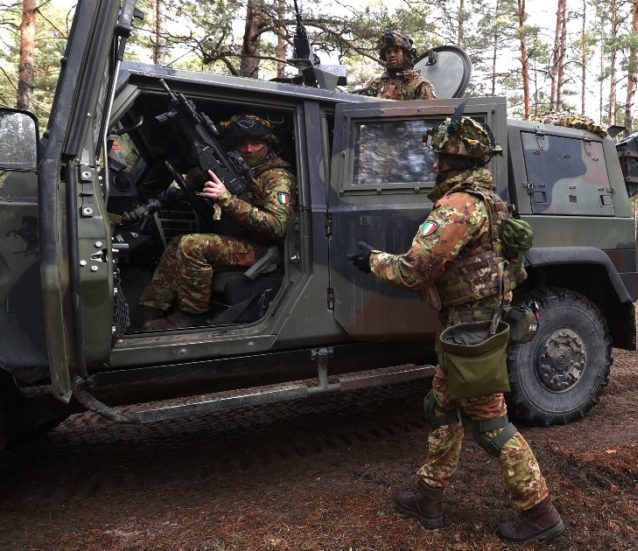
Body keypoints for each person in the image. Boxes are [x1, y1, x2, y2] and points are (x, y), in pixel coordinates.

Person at [347, 115, 565, 544]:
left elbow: (416, 269)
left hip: (471, 332)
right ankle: (428, 496)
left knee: (491, 423)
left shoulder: (459, 206)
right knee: (441, 408)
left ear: (453, 158)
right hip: (468, 328)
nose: (432, 165)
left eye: (438, 157)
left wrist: (371, 260)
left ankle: (539, 511)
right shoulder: (489, 200)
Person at [135, 114, 297, 331]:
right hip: (241, 240)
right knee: (177, 243)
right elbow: (195, 178)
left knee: (192, 245)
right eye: (242, 144)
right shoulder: (242, 170)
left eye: (256, 143)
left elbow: (276, 227)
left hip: (263, 249)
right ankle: (149, 309)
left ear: (268, 145)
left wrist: (226, 200)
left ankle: (192, 315)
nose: (249, 150)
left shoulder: (277, 177)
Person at [359, 31, 437, 101]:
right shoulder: (376, 84)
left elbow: (431, 113)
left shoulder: (420, 84)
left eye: (396, 51)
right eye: (388, 52)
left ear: (406, 55)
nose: (392, 55)